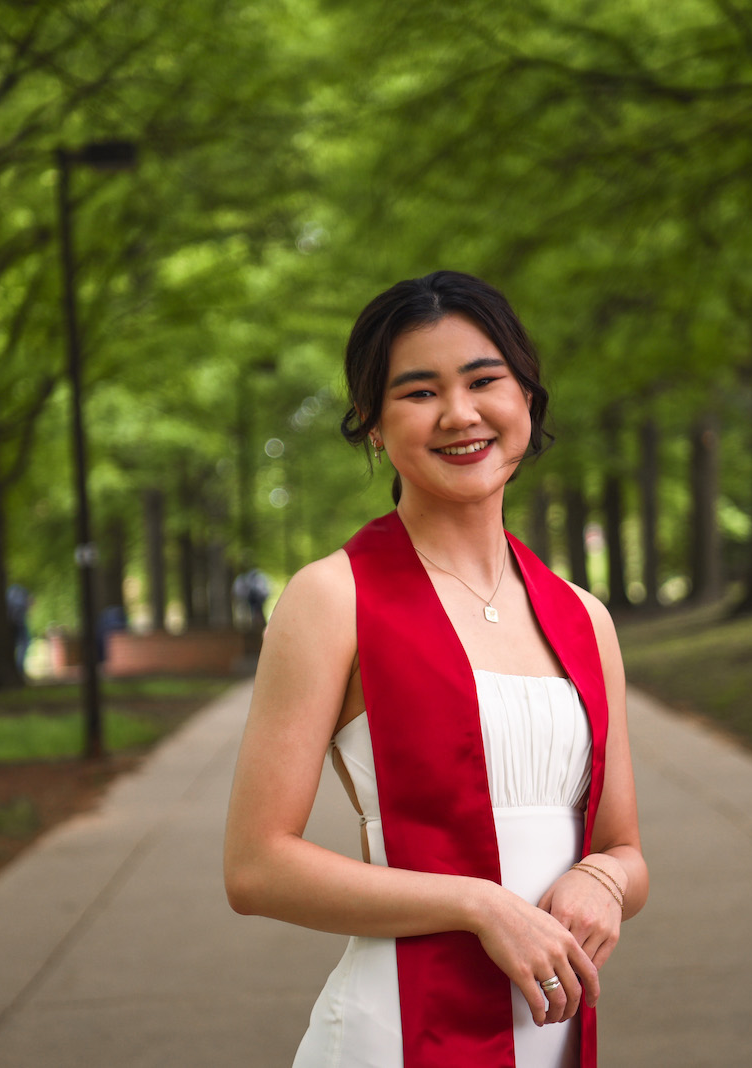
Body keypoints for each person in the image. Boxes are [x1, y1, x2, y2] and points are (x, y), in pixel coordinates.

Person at [224, 270, 647, 1067]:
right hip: (396, 1032)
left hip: (549, 1032)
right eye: (419, 392)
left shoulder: (584, 618)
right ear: (373, 427)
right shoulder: (333, 599)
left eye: (485, 380)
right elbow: (255, 867)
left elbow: (625, 848)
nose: (460, 414)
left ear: (527, 397)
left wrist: (603, 879)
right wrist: (477, 904)